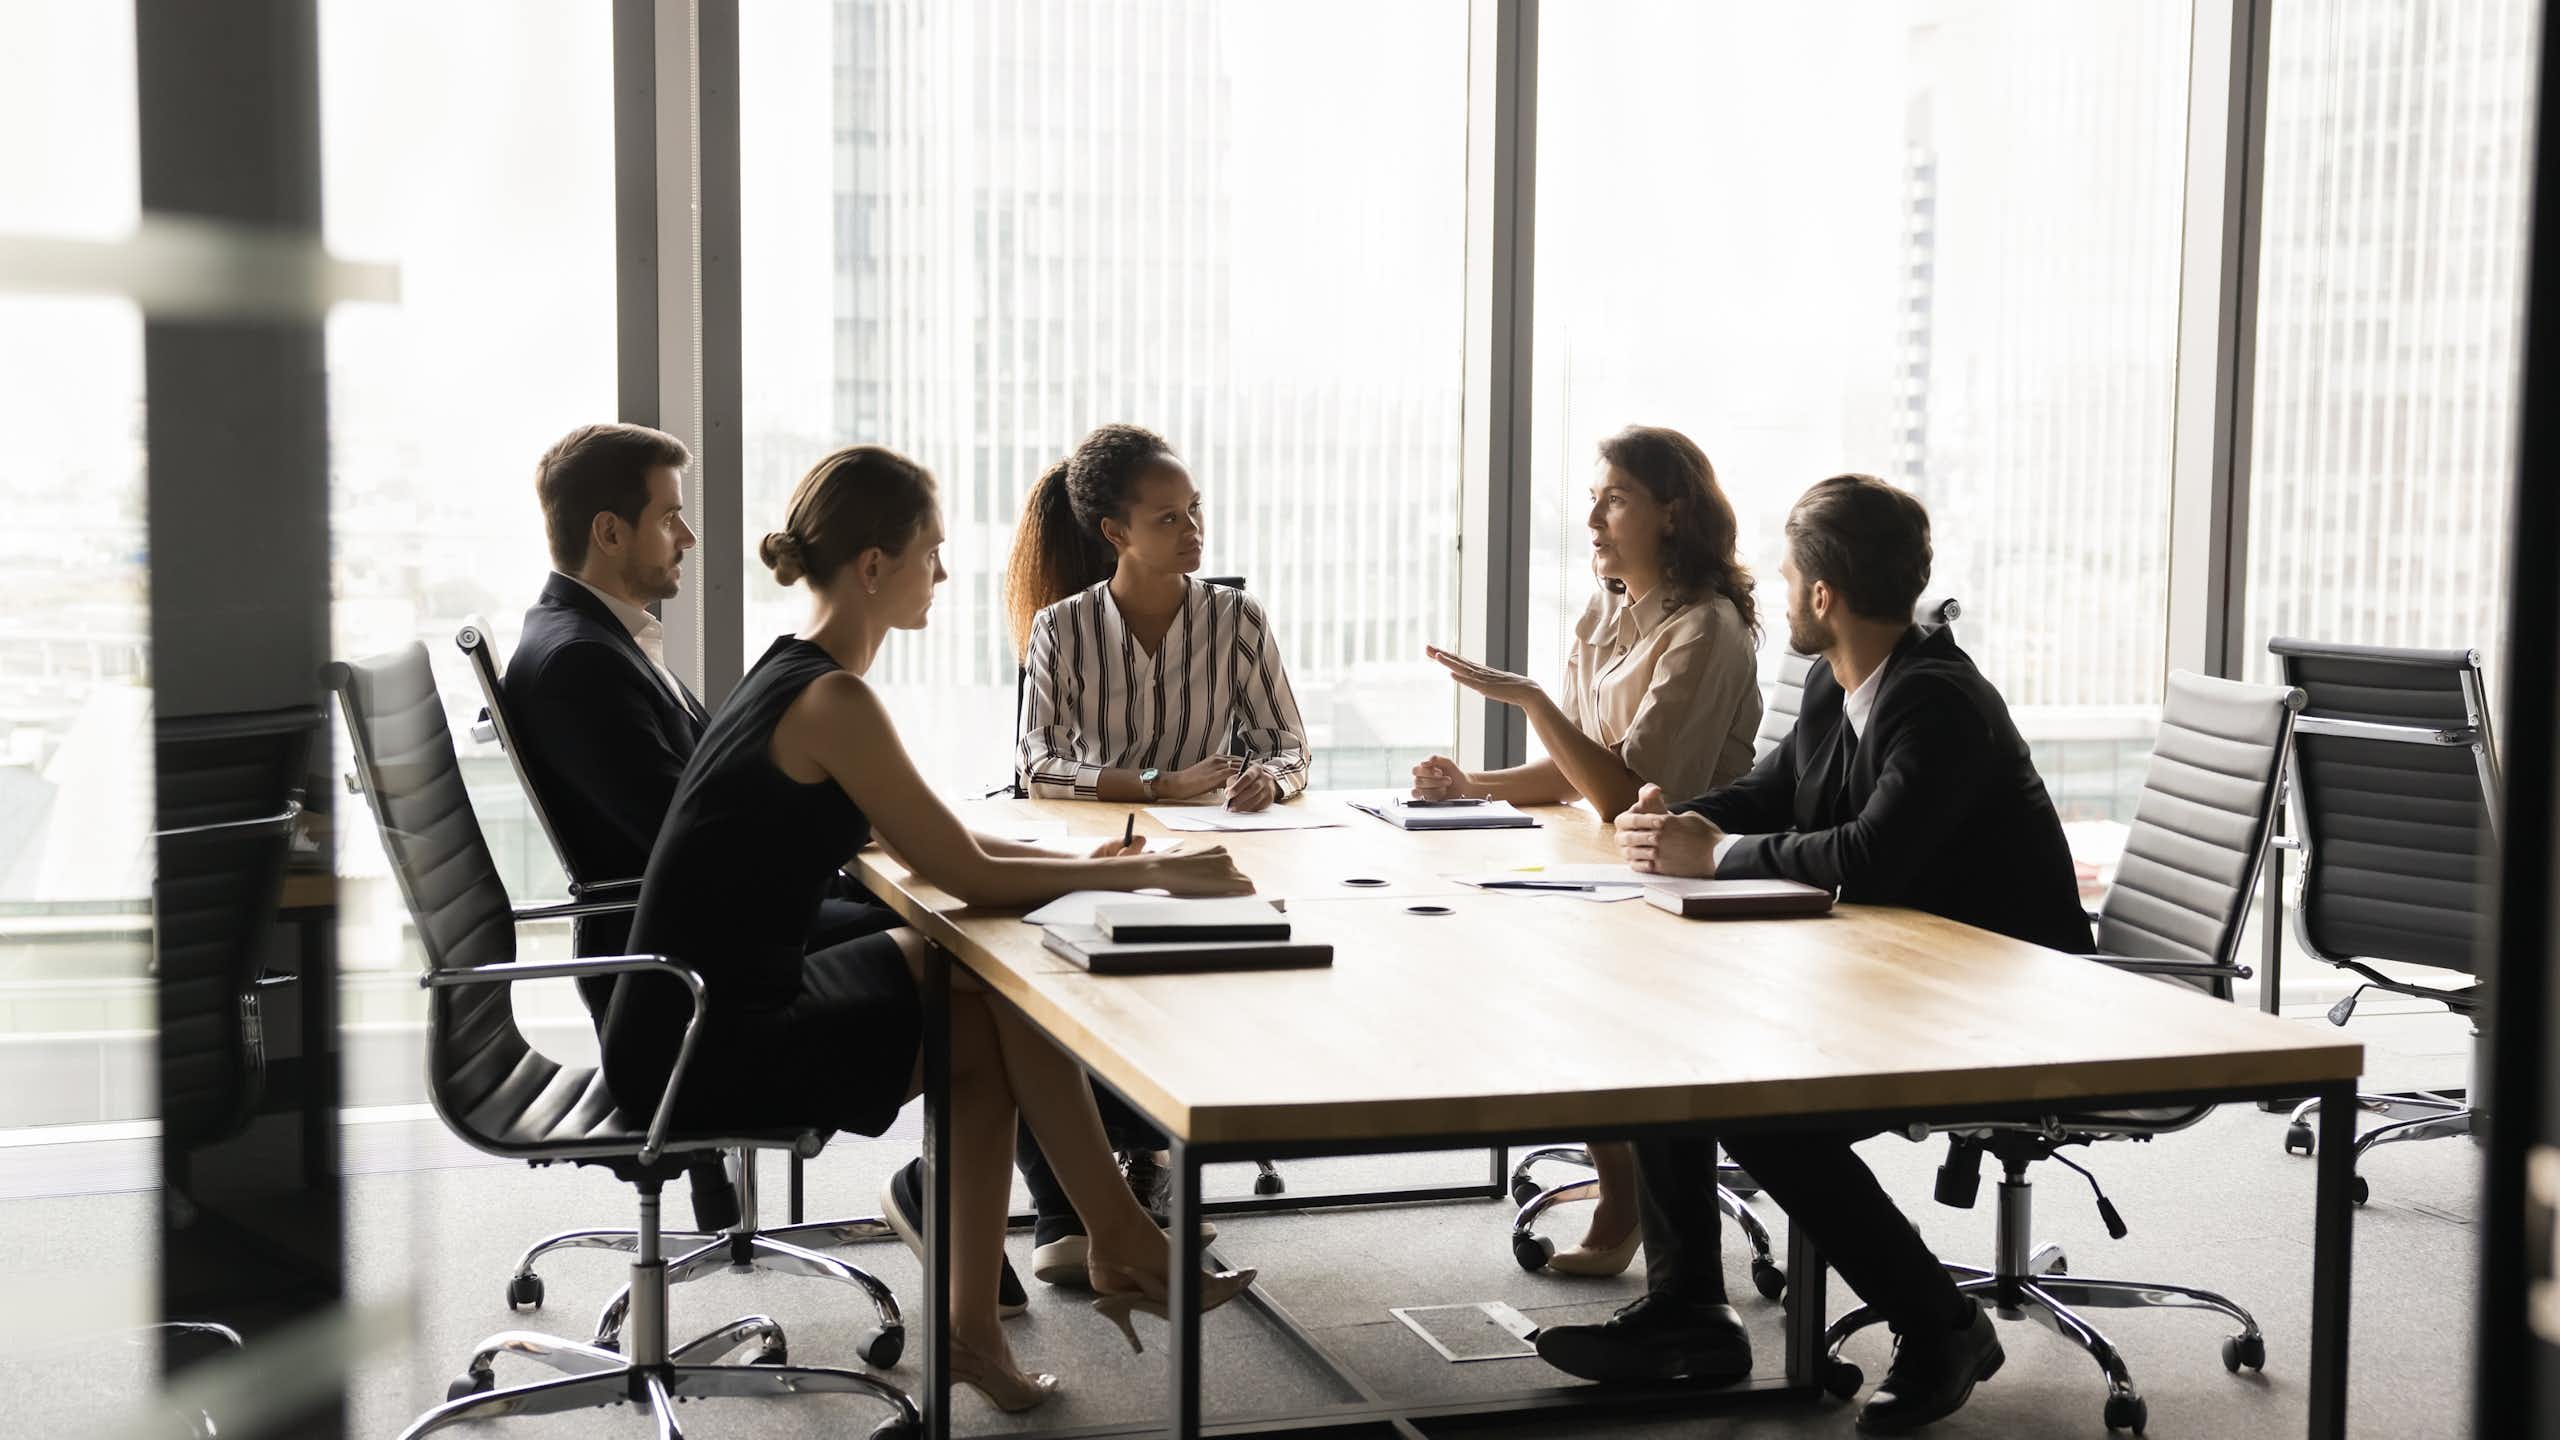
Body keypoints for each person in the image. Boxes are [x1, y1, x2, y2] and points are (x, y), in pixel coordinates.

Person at [605, 444, 1257, 1411]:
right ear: (876, 566)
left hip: (684, 1010)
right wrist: (1165, 868)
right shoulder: (836, 700)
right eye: (933, 553)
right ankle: (1114, 1241)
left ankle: (990, 1326)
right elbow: (958, 872)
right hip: (705, 1044)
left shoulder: (794, 673)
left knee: (976, 1006)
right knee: (980, 985)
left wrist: (1081, 868)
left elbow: (924, 839)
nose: (945, 575)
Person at [1537, 474, 2089, 1435]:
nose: (1783, 594)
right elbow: (1770, 789)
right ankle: (1689, 1317)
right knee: (1674, 1045)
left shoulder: (1940, 702)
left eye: (1792, 578)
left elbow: (1874, 855)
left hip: (2004, 1004)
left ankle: (1941, 1325)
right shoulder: (1843, 687)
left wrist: (1721, 856)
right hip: (1901, 980)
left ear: (1823, 594)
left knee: (1762, 1104)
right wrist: (1680, 820)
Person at [506, 422, 903, 1235]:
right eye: (669, 516)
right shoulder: (582, 661)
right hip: (670, 969)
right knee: (951, 947)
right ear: (610, 532)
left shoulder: (602, 639)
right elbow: (690, 839)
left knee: (924, 926)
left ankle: (976, 1207)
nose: (688, 537)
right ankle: (963, 1202)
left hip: (677, 939)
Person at [1411, 424, 1762, 1276]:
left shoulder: (1706, 629)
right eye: (1594, 499)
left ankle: (1628, 1196)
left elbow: (1630, 793)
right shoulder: (1604, 610)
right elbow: (1573, 775)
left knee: (1576, 995)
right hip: (1618, 870)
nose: (1595, 517)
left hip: (1686, 878)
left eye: (1616, 499)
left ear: (1672, 513)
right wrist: (1474, 786)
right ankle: (1628, 1179)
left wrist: (1530, 699)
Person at [1004, 423, 1311, 812]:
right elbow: (1038, 767)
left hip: (1212, 832)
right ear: (1116, 531)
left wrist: (1268, 779)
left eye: (1194, 507)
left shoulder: (1237, 618)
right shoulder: (1060, 627)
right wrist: (1164, 784)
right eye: (1168, 518)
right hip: (1100, 833)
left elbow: (1288, 746)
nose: (1193, 529)